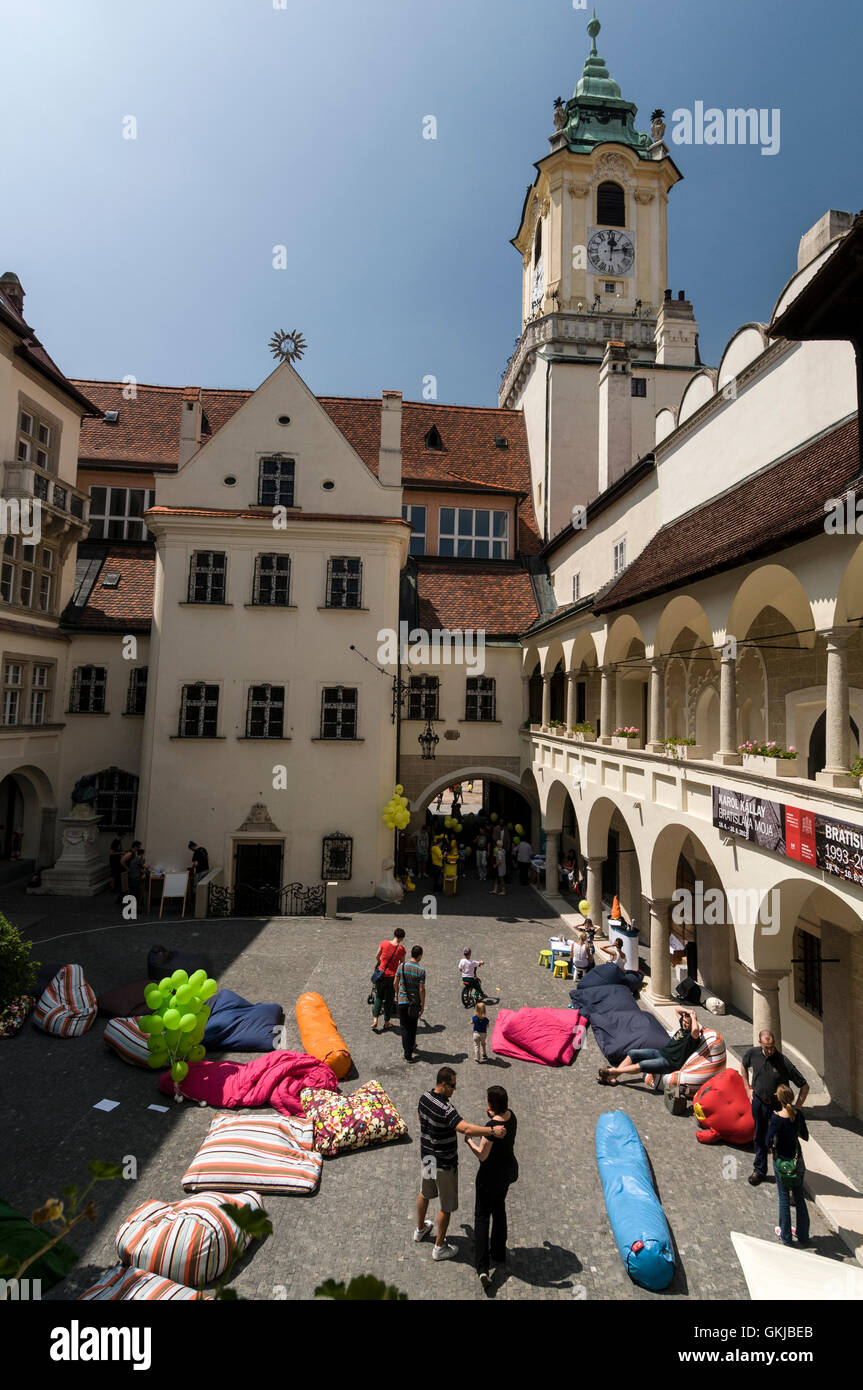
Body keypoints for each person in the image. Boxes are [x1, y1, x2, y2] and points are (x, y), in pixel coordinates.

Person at [415, 1066, 508, 1262]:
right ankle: (439, 1247)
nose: (455, 1089)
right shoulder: (446, 1109)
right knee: (446, 1206)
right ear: (443, 1084)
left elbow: (422, 1121)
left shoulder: (424, 1098)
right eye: (453, 1085)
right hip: (444, 1163)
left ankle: (420, 1229)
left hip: (427, 1158)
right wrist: (491, 1131)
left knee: (425, 1193)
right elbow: (464, 1128)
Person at [465, 1084, 518, 1287]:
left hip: (488, 1178)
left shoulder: (491, 1131)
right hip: (506, 1173)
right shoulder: (511, 1117)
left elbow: (482, 1155)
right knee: (499, 1209)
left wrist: (469, 1141)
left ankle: (482, 1268)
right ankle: (498, 1252)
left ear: (491, 1104)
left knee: (482, 1218)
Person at [741, 1030, 809, 1186]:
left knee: (781, 1142)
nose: (770, 1050)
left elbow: (804, 1086)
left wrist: (796, 1107)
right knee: (760, 1137)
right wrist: (747, 1088)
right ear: (760, 1044)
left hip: (777, 1107)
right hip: (758, 1102)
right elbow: (743, 1065)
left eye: (772, 1047)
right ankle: (759, 1170)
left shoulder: (783, 1061)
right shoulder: (753, 1053)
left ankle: (786, 1173)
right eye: (767, 1047)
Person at [598, 1007, 701, 1085]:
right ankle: (613, 1077)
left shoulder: (692, 1036)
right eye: (684, 1021)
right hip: (661, 1052)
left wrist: (693, 1017)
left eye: (687, 1023)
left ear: (692, 1023)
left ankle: (612, 1071)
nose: (684, 1024)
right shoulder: (683, 1027)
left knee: (642, 1065)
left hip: (669, 1063)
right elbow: (677, 1009)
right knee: (633, 1053)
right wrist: (688, 1011)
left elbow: (696, 1030)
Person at [767, 1084, 811, 1247]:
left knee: (784, 1197)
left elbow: (767, 1141)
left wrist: (772, 1146)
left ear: (779, 1098)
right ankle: (803, 1234)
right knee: (799, 1197)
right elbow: (805, 1136)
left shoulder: (776, 1118)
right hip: (797, 1161)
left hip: (782, 1162)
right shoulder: (797, 1115)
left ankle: (785, 1235)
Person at [371, 927, 406, 1032]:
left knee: (378, 997)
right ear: (401, 938)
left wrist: (382, 962)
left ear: (394, 935)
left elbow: (377, 956)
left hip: (381, 976)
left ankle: (375, 1020)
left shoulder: (384, 943)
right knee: (389, 1000)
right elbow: (402, 964)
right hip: (391, 978)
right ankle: (386, 1022)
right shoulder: (401, 949)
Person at [395, 945, 426, 1061]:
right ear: (420, 956)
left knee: (404, 1027)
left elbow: (395, 982)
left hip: (402, 1001)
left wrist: (397, 994)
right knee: (412, 1026)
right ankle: (410, 1048)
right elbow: (421, 990)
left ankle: (407, 1053)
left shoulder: (401, 966)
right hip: (414, 1003)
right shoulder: (421, 970)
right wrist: (422, 1005)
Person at [109, 833, 125, 901]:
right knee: (113, 873)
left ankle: (114, 887)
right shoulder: (115, 842)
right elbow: (111, 853)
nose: (123, 838)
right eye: (123, 836)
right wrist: (121, 853)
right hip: (113, 860)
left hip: (116, 859)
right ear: (120, 836)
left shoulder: (118, 842)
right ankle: (112, 888)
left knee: (116, 873)